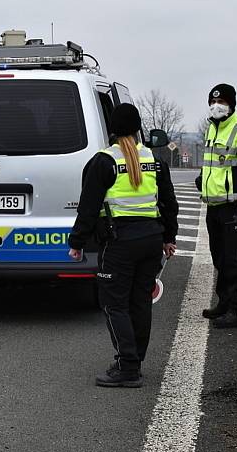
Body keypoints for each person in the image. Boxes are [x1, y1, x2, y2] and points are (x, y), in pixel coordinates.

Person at [68, 103, 179, 388]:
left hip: (119, 243)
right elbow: (168, 202)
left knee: (114, 304)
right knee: (140, 302)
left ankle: (127, 367)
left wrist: (77, 242)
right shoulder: (155, 159)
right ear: (138, 128)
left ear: (113, 130)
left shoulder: (104, 161)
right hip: (151, 240)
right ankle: (134, 361)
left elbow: (89, 207)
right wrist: (169, 238)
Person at [196, 84, 237, 329]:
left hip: (235, 207)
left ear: (232, 104)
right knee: (221, 259)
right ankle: (225, 303)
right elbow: (215, 166)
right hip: (214, 207)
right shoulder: (212, 130)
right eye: (213, 101)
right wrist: (202, 180)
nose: (216, 105)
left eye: (222, 101)